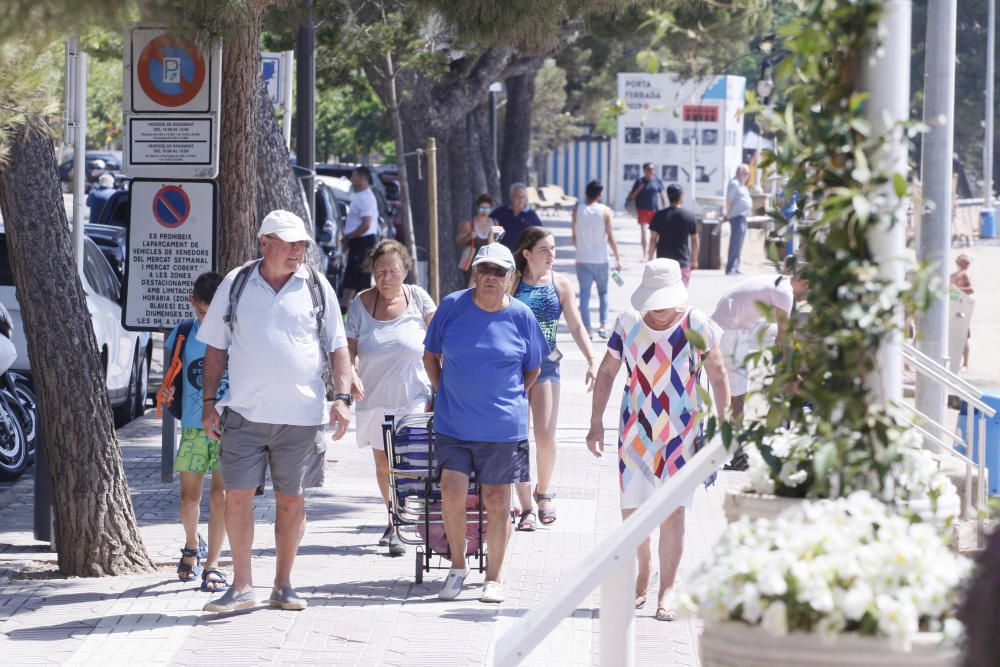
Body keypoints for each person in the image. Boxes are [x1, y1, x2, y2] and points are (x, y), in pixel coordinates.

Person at [197, 209, 353, 614]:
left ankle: (284, 584)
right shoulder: (237, 283)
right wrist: (209, 403)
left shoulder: (316, 286)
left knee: (291, 500)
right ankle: (242, 584)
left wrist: (343, 397)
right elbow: (215, 345)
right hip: (245, 415)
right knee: (237, 498)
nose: (298, 251)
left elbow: (338, 346)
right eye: (289, 243)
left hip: (302, 418)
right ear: (264, 242)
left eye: (302, 243)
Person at [586, 258, 730, 622]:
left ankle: (666, 590)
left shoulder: (697, 324)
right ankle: (644, 566)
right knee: (633, 513)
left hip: (682, 435)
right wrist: (595, 422)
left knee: (673, 512)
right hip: (636, 431)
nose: (660, 309)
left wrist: (725, 425)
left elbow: (718, 373)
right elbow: (607, 371)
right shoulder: (629, 323)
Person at [423, 243, 548, 604]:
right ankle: (458, 568)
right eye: (484, 270)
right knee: (451, 490)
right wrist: (442, 390)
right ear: (474, 273)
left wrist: (509, 400)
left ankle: (494, 577)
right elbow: (430, 355)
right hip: (454, 423)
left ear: (511, 278)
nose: (490, 277)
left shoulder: (522, 315)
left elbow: (533, 368)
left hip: (501, 428)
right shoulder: (451, 306)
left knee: (497, 499)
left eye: (499, 272)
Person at [346, 239, 436, 557]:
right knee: (383, 462)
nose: (386, 277)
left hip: (413, 394)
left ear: (405, 271)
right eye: (380, 271)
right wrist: (351, 374)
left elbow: (439, 337)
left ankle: (402, 518)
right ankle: (394, 519)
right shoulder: (361, 303)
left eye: (393, 271)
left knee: (407, 460)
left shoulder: (419, 299)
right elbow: (348, 347)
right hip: (374, 397)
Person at [510, 228, 597, 531]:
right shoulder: (512, 282)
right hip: (512, 369)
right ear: (527, 253)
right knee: (516, 437)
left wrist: (591, 358)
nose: (551, 255)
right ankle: (524, 507)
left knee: (545, 435)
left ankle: (543, 492)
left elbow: (575, 325)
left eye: (553, 249)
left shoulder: (560, 284)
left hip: (547, 365)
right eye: (544, 249)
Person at [164, 272, 229, 592]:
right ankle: (192, 544)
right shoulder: (184, 332)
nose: (209, 318)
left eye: (214, 311)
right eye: (203, 311)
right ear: (193, 303)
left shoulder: (236, 332)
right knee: (190, 498)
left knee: (223, 496)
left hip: (230, 425)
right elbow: (172, 371)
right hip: (192, 425)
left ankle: (213, 564)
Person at [711, 260, 808, 424]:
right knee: (738, 388)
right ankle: (734, 432)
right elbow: (783, 339)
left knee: (794, 340)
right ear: (806, 284)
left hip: (739, 324)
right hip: (728, 330)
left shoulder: (781, 281)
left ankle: (780, 396)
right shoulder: (785, 292)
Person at [572, 179, 621, 339]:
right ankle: (603, 326)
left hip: (582, 258)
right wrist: (617, 259)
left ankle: (587, 329)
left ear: (586, 193)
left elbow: (574, 238)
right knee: (603, 292)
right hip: (601, 259)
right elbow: (611, 237)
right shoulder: (605, 211)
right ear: (600, 194)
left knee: (584, 295)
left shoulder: (577, 210)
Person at [341, 166, 380, 311]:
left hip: (363, 241)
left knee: (362, 277)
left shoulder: (366, 198)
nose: (352, 179)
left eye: (354, 176)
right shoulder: (360, 195)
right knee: (351, 276)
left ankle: (367, 310)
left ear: (363, 178)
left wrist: (349, 237)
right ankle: (344, 307)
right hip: (357, 241)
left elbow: (366, 224)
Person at [647, 184, 699, 286]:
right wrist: (694, 260)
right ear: (680, 197)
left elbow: (653, 240)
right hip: (682, 263)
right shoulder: (690, 216)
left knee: (663, 296)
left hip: (663, 263)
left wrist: (650, 259)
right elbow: (695, 240)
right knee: (681, 297)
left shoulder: (658, 216)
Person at [456, 194, 505, 287]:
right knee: (470, 288)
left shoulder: (495, 223)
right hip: (472, 261)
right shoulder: (469, 224)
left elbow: (498, 242)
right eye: (482, 209)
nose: (484, 212)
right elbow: (459, 241)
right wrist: (468, 237)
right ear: (477, 208)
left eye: (487, 209)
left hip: (489, 260)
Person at [626, 163, 667, 259]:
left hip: (654, 211)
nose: (651, 171)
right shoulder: (639, 181)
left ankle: (651, 253)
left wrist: (665, 209)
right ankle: (644, 254)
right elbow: (632, 196)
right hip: (642, 210)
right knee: (643, 232)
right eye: (649, 169)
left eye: (653, 169)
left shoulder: (657, 181)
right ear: (644, 170)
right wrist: (639, 189)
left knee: (654, 234)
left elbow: (662, 196)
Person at [491, 183, 543, 252]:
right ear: (511, 197)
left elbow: (540, 234)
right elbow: (487, 221)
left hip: (523, 255)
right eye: (517, 196)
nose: (520, 200)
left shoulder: (531, 215)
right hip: (503, 253)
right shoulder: (501, 212)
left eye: (523, 197)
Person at [724, 164, 753, 275]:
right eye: (745, 172)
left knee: (739, 244)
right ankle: (731, 268)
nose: (747, 175)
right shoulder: (734, 183)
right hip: (737, 216)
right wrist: (728, 213)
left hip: (743, 217)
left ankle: (735, 267)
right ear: (739, 172)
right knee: (735, 243)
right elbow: (729, 200)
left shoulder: (742, 185)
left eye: (748, 173)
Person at [950, 253, 974, 368]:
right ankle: (954, 360)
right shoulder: (953, 275)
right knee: (953, 335)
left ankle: (965, 363)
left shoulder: (965, 275)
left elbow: (971, 289)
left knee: (963, 335)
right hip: (952, 306)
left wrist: (955, 289)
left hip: (961, 307)